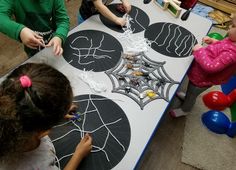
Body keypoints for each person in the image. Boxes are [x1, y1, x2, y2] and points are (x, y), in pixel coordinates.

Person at [0, 63, 92, 170]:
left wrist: (52, 112)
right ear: (43, 132)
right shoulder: (39, 166)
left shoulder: (9, 112)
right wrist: (78, 155)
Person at [169, 14, 236, 117]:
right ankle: (187, 96)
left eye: (233, 26)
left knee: (192, 92)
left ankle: (185, 109)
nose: (229, 27)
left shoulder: (232, 53)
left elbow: (211, 67)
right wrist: (214, 42)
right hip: (200, 72)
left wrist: (200, 51)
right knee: (190, 90)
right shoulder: (232, 40)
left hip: (203, 79)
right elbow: (222, 46)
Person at [0, 0, 70, 57]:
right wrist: (20, 31)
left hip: (56, 45)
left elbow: (63, 20)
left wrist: (59, 36)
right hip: (32, 50)